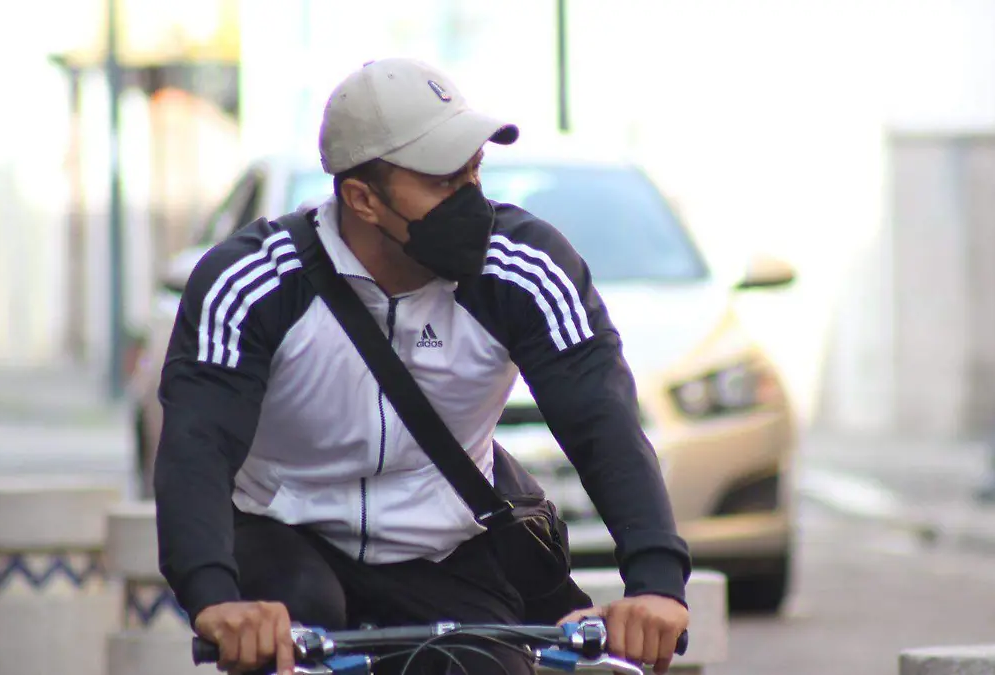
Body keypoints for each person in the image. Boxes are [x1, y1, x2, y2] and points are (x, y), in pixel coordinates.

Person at [154, 57, 691, 675]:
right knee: (295, 616)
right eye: (441, 182)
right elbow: (196, 444)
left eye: (473, 171)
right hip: (282, 538)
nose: (469, 199)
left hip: (445, 549)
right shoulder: (255, 281)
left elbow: (602, 419)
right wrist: (216, 599)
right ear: (362, 198)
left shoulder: (523, 268)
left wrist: (656, 582)